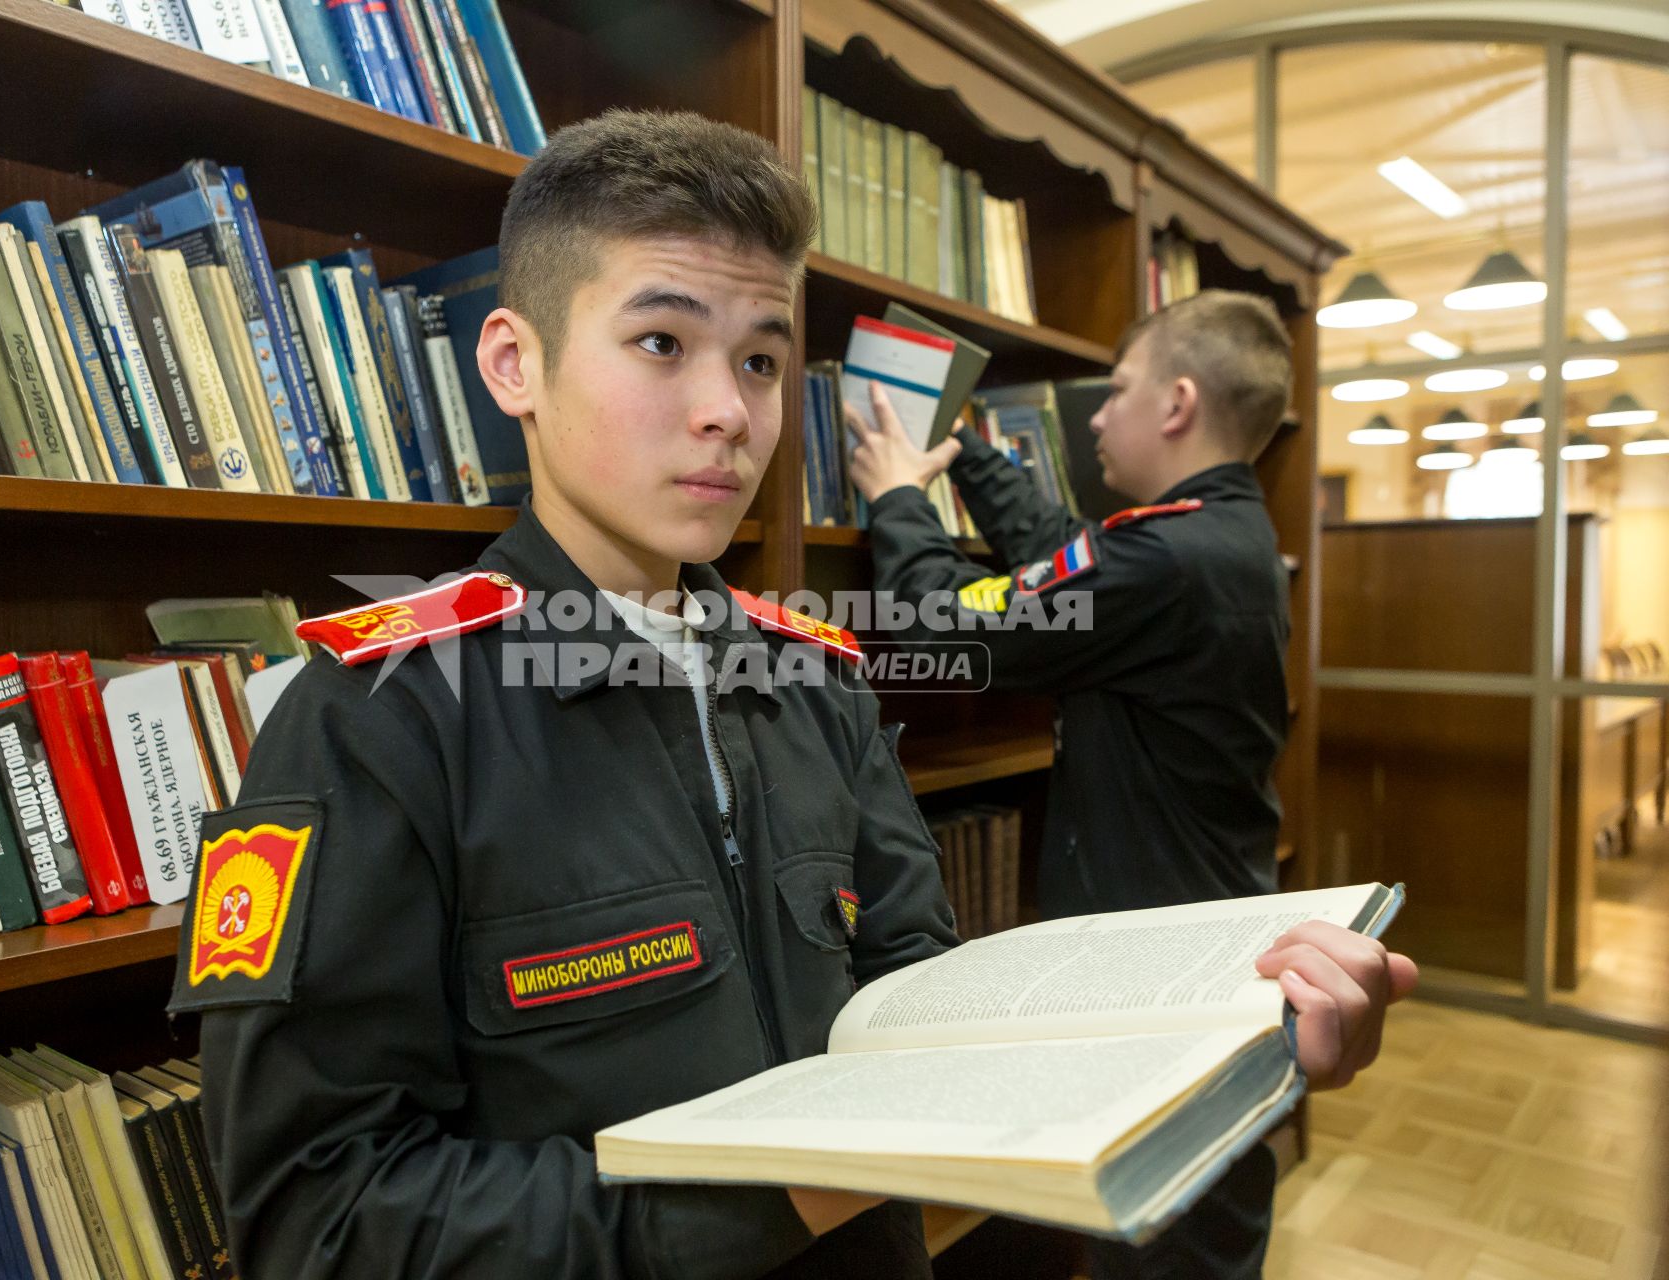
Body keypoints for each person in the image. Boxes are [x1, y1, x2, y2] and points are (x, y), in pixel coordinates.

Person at [169, 115, 1414, 1280]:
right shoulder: (373, 718)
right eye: (662, 342)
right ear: (516, 363)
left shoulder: (811, 675)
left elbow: (931, 1016)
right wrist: (764, 1195)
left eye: (762, 358)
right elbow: (316, 1218)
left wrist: (1243, 1055)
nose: (729, 411)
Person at [848, 289, 1394, 1279]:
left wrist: (894, 495)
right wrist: (966, 452)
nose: (1096, 414)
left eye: (1120, 390)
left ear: (1177, 402)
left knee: (1171, 1246)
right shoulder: (1215, 536)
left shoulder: (1167, 557)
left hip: (1168, 984)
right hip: (1207, 945)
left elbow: (946, 626)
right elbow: (1067, 558)